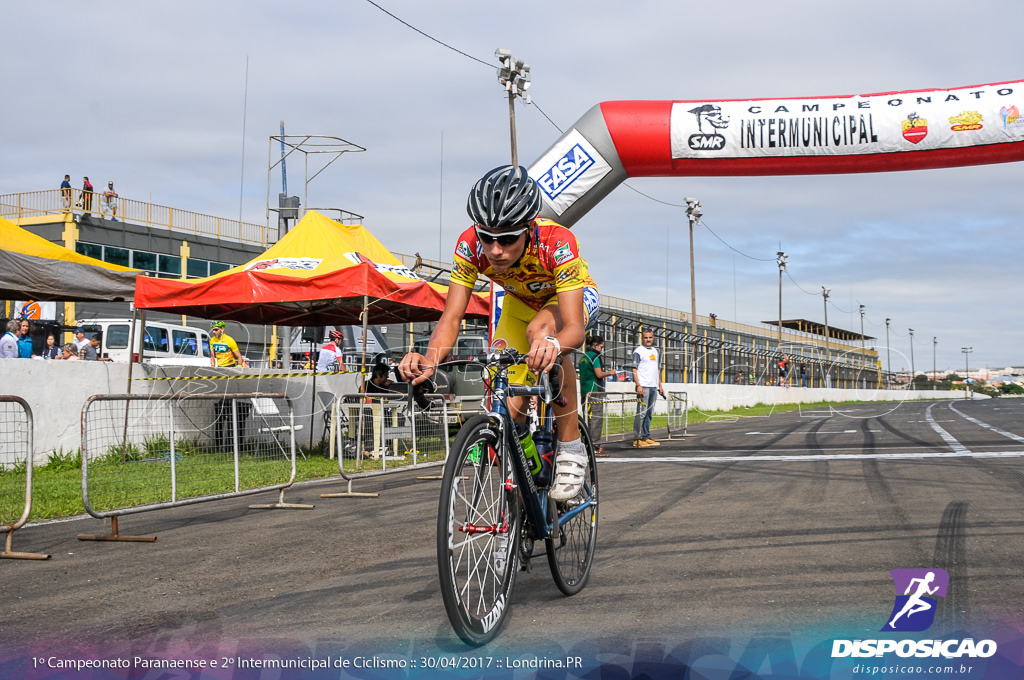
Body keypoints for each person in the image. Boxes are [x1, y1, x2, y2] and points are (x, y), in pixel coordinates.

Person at [399, 165, 599, 502]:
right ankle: (524, 492)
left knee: (544, 334)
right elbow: (451, 318)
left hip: (564, 303)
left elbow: (574, 329)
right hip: (520, 304)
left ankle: (570, 447)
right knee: (509, 401)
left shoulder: (557, 242)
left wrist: (552, 345)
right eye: (486, 237)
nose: (495, 250)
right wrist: (430, 360)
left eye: (506, 239)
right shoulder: (469, 246)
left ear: (529, 230)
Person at [579, 334, 613, 454]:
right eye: (601, 347)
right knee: (596, 419)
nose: (602, 350)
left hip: (585, 391)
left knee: (588, 418)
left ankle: (586, 443)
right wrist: (610, 373)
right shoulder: (595, 357)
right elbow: (598, 374)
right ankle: (595, 445)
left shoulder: (583, 357)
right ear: (596, 345)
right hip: (595, 391)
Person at [631, 329, 665, 448]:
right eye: (646, 338)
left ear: (653, 338)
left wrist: (660, 385)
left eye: (650, 337)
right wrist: (638, 385)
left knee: (649, 413)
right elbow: (634, 370)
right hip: (643, 386)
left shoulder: (655, 351)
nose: (648, 340)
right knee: (641, 413)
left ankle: (646, 436)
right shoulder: (638, 351)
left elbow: (657, 370)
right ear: (642, 338)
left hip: (653, 386)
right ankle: (637, 438)